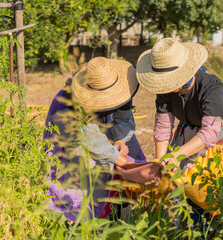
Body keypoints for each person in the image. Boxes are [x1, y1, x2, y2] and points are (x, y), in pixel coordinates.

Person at [136, 38, 223, 234]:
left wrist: (177, 155)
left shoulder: (212, 88)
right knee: (174, 178)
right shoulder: (165, 90)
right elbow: (163, 127)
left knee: (208, 187)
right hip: (190, 131)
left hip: (222, 138)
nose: (166, 86)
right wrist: (162, 161)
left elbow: (209, 133)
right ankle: (185, 226)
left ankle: (215, 228)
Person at [43, 57, 146, 222]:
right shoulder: (72, 101)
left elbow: (124, 117)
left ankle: (117, 216)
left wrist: (119, 140)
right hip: (74, 134)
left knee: (120, 168)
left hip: (101, 126)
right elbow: (92, 140)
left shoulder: (121, 84)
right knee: (84, 179)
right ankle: (90, 222)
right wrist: (126, 164)